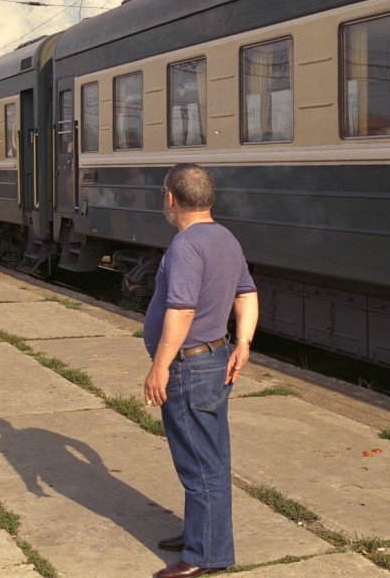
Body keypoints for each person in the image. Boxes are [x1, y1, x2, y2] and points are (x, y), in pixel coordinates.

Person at [142, 164, 258, 578]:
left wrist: (159, 366)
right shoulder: (225, 237)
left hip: (189, 367)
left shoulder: (187, 245)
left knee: (199, 462)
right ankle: (200, 532)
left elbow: (182, 309)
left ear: (171, 198)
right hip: (214, 360)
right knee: (208, 456)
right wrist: (243, 342)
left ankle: (205, 554)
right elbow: (247, 294)